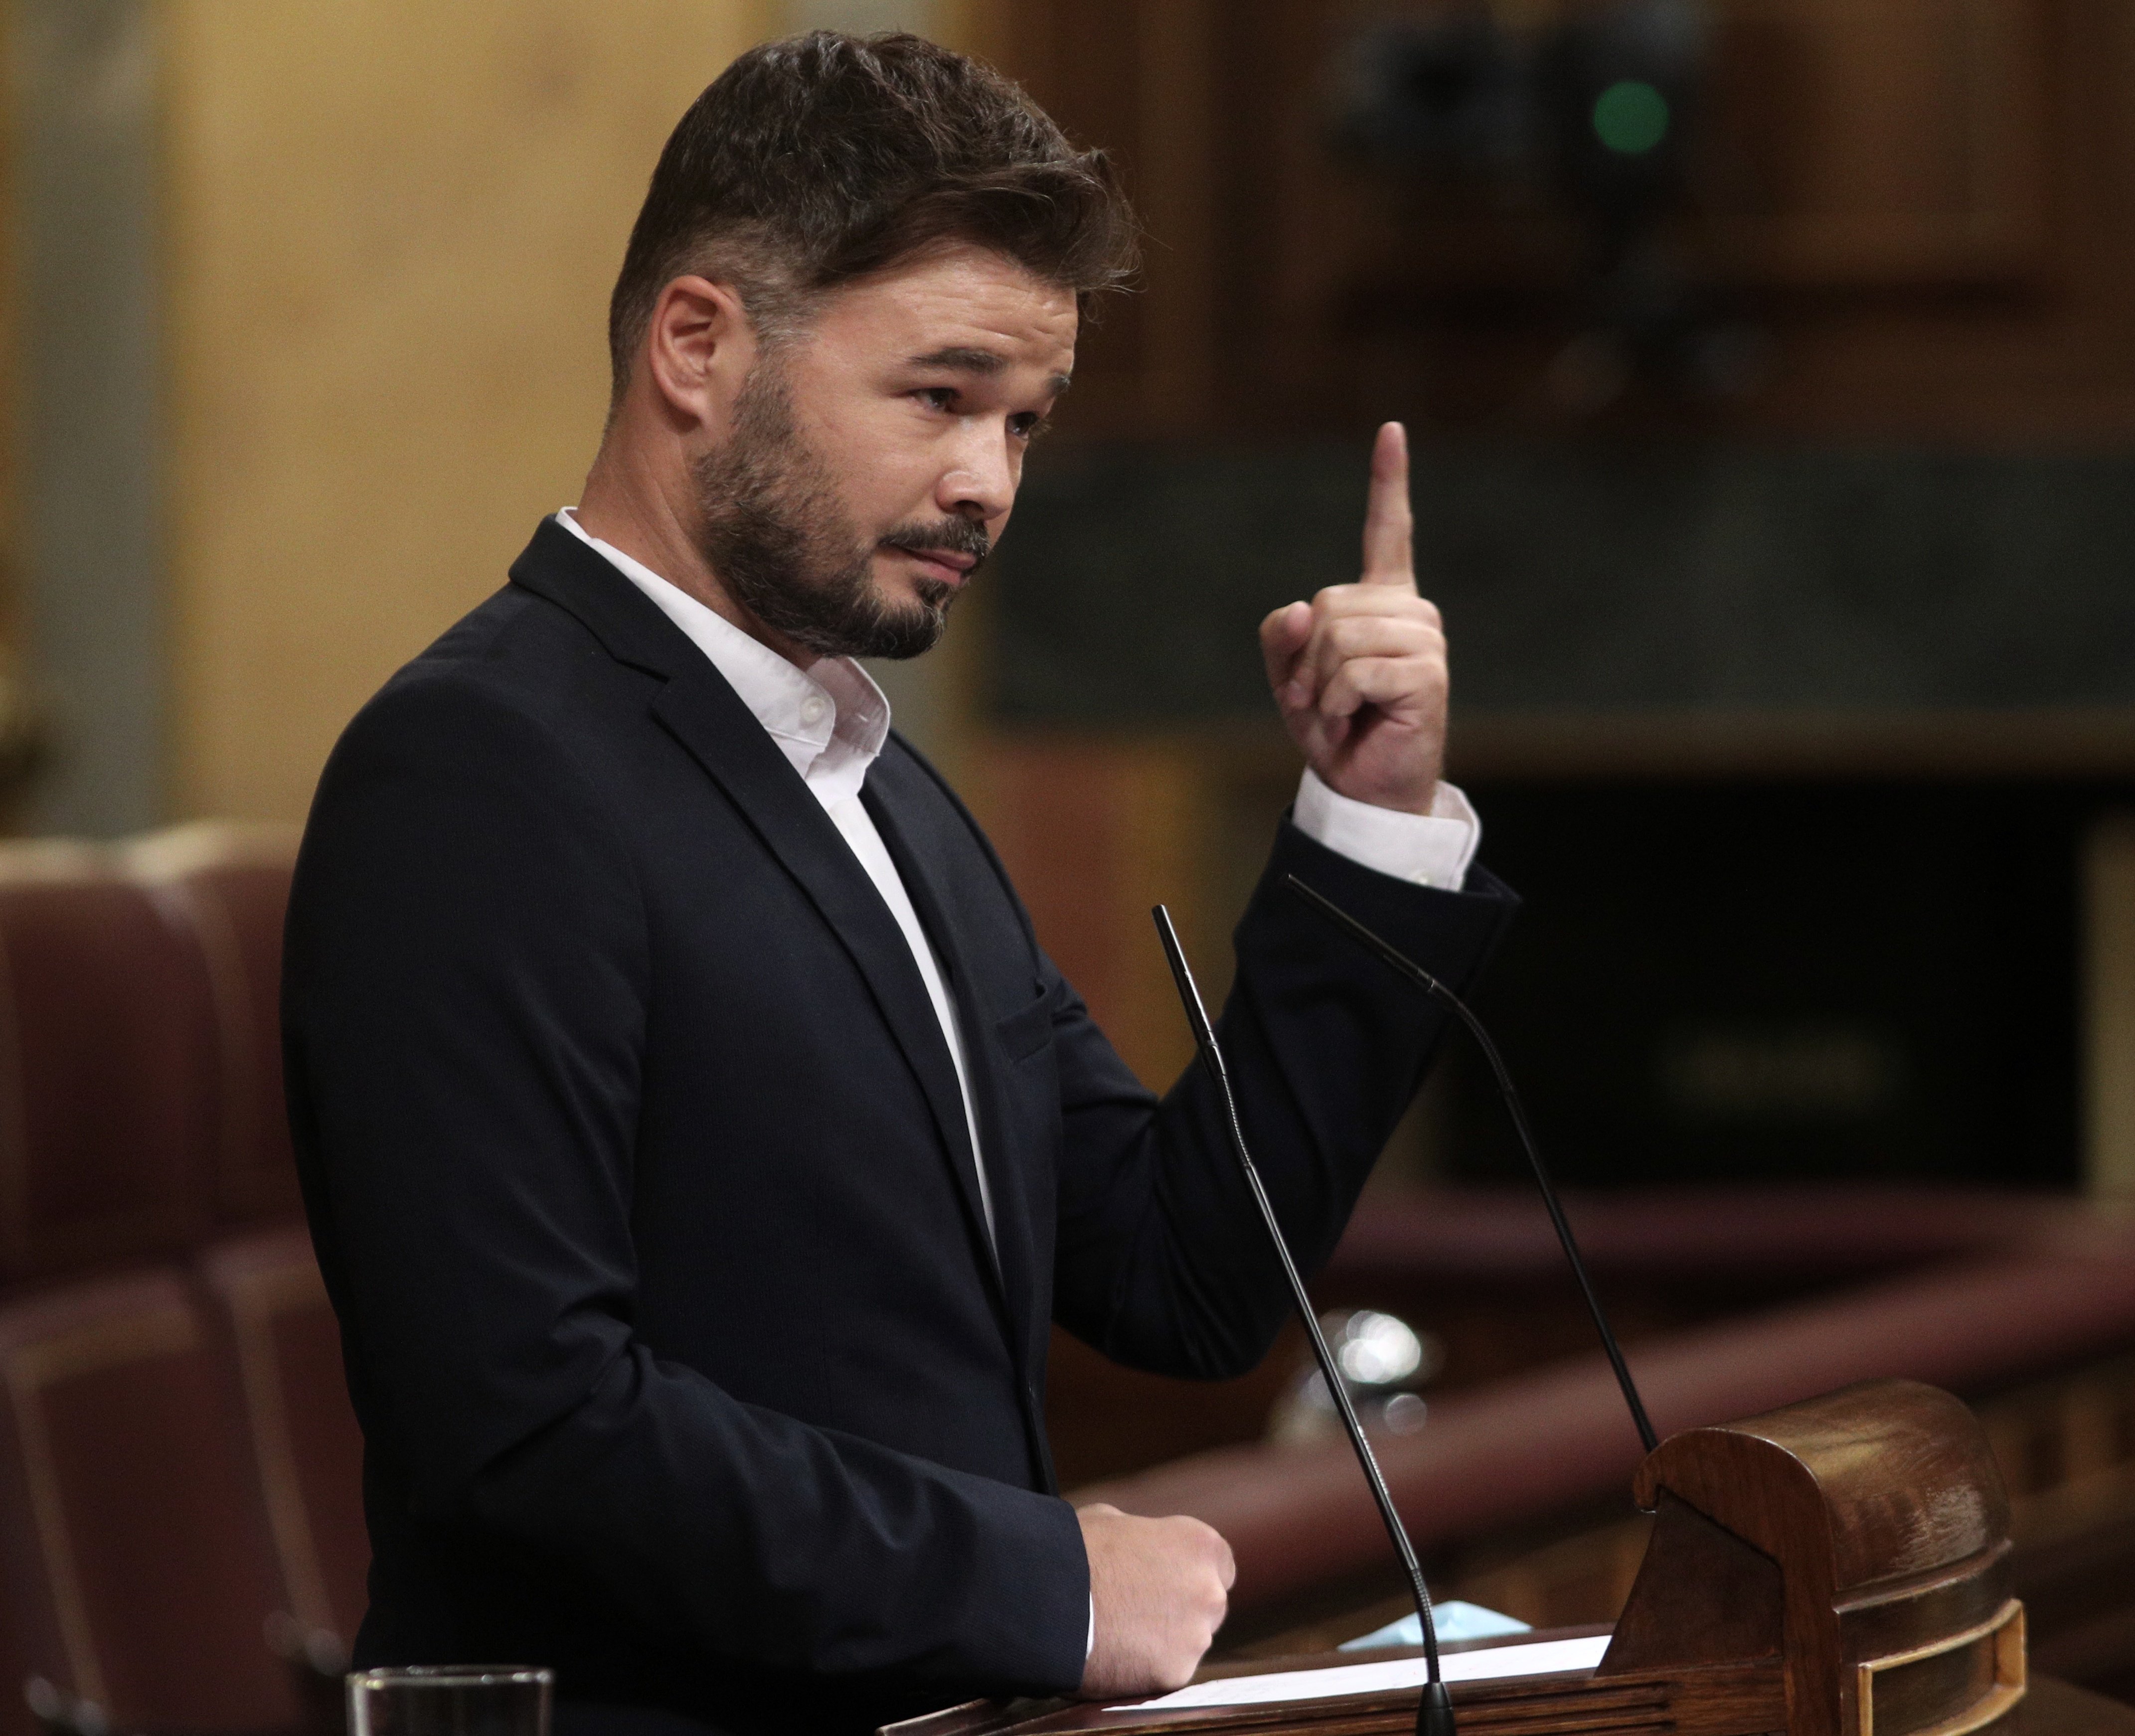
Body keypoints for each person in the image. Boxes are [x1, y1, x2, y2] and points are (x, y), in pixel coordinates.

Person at [283, 31, 1514, 1736]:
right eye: (940, 397)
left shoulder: (876, 783)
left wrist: (1370, 823)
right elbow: (522, 1422)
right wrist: (1047, 1584)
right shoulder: (481, 768)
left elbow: (1181, 1271)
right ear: (698, 345)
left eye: (1025, 422)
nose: (988, 486)